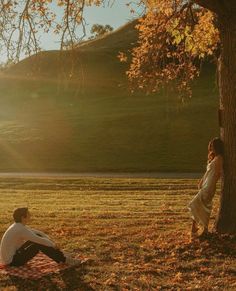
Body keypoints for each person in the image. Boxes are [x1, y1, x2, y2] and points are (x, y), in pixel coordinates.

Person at [0, 207, 80, 267]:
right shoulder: (20, 229)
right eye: (28, 214)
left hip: (13, 256)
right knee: (38, 244)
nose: (30, 215)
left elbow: (37, 233)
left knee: (40, 239)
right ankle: (64, 260)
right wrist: (53, 245)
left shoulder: (18, 225)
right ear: (23, 217)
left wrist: (49, 240)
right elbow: (39, 240)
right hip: (12, 262)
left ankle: (62, 255)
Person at [188, 137, 224, 238]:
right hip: (206, 185)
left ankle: (196, 228)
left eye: (213, 146)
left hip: (209, 186)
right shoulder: (214, 158)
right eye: (211, 146)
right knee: (202, 207)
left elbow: (217, 173)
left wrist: (210, 184)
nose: (211, 148)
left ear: (217, 147)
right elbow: (208, 172)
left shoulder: (219, 158)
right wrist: (202, 180)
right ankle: (201, 229)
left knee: (195, 204)